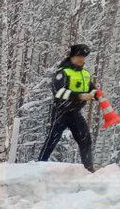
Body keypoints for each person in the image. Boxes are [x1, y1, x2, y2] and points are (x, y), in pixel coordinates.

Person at [37, 43, 96, 171]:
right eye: (78, 56)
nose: (81, 59)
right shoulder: (63, 72)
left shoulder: (85, 74)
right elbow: (58, 92)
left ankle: (89, 168)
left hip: (75, 112)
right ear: (71, 57)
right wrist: (80, 96)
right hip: (61, 111)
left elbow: (91, 89)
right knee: (52, 139)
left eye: (83, 57)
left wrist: (96, 94)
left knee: (85, 139)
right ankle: (39, 165)